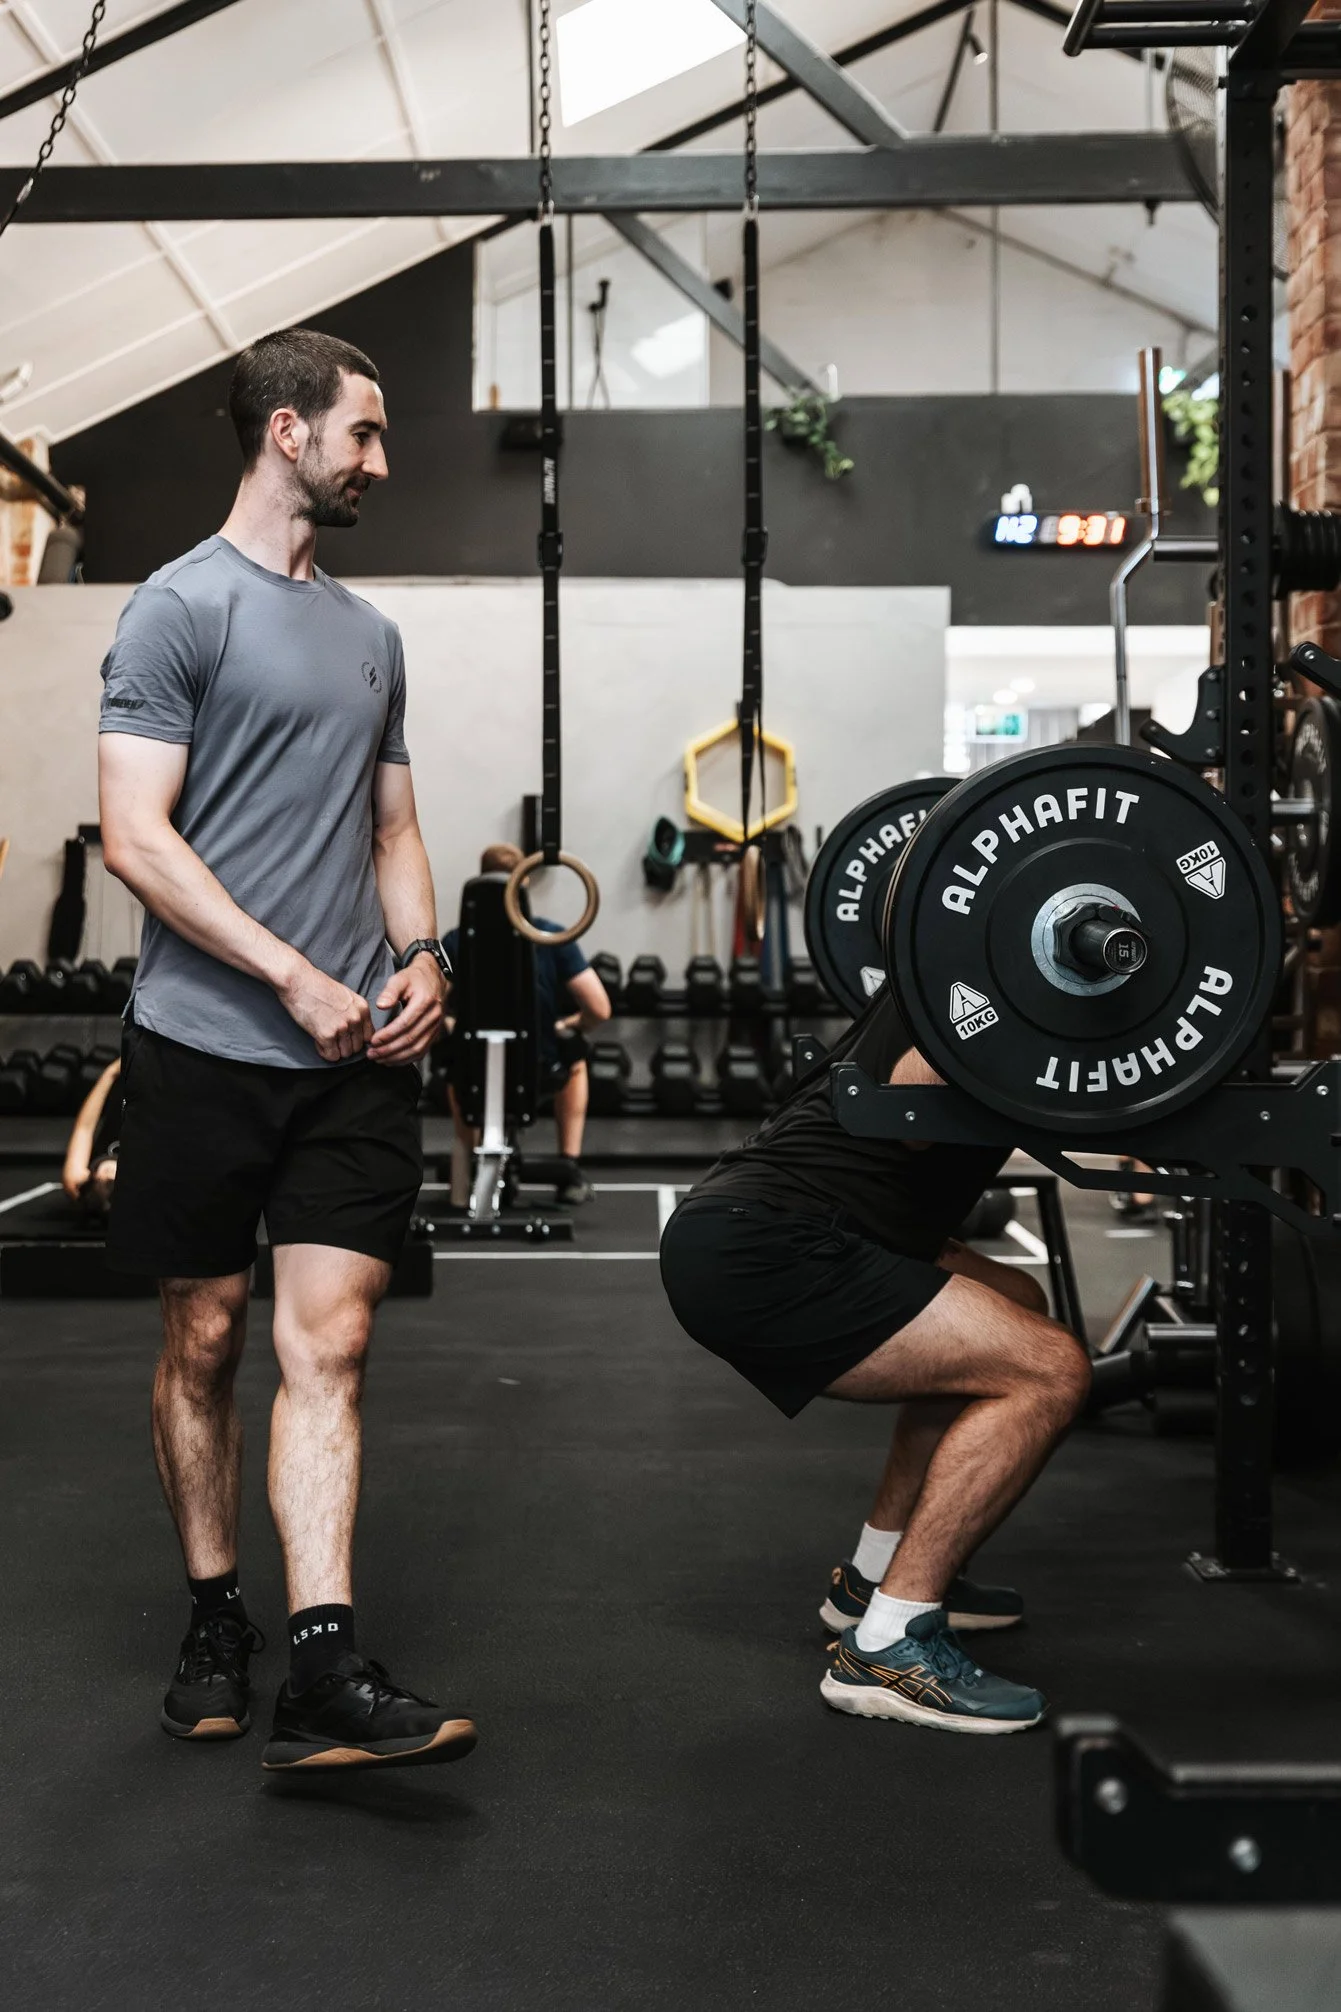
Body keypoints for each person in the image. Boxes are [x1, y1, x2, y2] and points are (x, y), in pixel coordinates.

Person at [98, 325, 476, 1774]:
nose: (380, 460)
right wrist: (292, 976)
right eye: (364, 434)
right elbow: (138, 839)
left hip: (350, 1061)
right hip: (205, 1042)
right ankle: (215, 1616)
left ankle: (324, 1659)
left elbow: (394, 829)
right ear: (288, 435)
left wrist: (421, 956)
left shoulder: (371, 636)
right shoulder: (176, 610)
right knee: (202, 1337)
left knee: (335, 1342)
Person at [659, 987, 1092, 1735]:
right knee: (1050, 1369)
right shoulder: (983, 977)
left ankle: (869, 1579)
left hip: (789, 1224)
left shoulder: (938, 971)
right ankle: (890, 1645)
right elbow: (917, 1100)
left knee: (1011, 1302)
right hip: (772, 1245)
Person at [441, 841, 612, 1204]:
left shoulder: (457, 941)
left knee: (456, 1062)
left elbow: (431, 1003)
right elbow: (600, 1009)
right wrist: (566, 1027)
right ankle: (570, 1167)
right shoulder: (552, 936)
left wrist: (453, 1025)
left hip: (475, 1065)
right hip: (537, 1062)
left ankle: (470, 1163)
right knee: (575, 1060)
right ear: (524, 883)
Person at [62, 1056, 121, 1219]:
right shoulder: (146, 1173)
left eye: (99, 1181)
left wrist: (111, 1073)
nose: (104, 1175)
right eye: (110, 1182)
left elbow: (84, 1129)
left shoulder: (76, 1181)